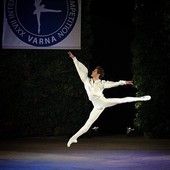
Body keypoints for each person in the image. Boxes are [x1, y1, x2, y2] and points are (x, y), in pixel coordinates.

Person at [67, 51, 151, 147]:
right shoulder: (86, 80)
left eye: (94, 71)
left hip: (103, 102)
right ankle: (73, 138)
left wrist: (124, 82)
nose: (92, 71)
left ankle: (142, 98)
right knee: (87, 125)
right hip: (97, 107)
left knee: (122, 100)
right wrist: (74, 58)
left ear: (98, 74)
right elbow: (79, 69)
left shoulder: (102, 83)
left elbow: (113, 83)